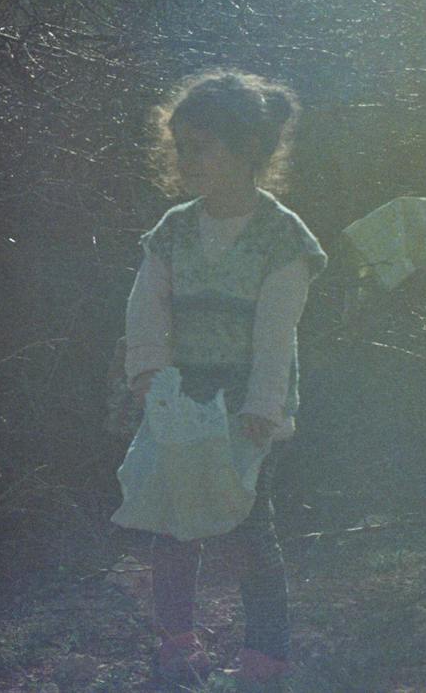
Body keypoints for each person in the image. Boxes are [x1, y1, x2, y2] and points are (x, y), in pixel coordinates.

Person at [120, 69, 326, 688]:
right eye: (180, 148)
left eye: (201, 147)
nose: (187, 161)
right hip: (181, 397)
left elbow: (276, 332)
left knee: (247, 534)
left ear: (247, 151)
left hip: (244, 402)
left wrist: (264, 404)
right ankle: (176, 645)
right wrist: (146, 371)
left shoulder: (283, 238)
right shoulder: (174, 229)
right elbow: (146, 304)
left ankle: (266, 657)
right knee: (172, 526)